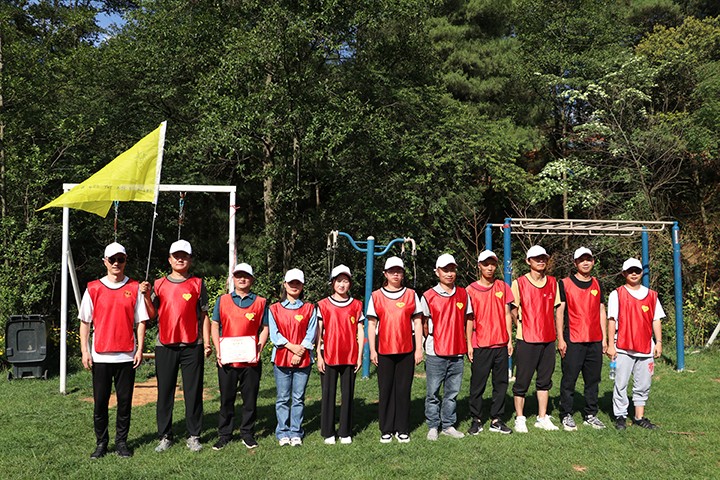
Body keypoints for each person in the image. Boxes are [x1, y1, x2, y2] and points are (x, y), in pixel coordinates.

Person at [79, 242, 150, 459]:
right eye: (112, 259)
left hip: (126, 355)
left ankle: (121, 442)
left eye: (120, 259)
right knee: (100, 403)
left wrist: (140, 349)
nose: (116, 263)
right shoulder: (93, 288)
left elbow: (141, 321)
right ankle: (101, 443)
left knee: (124, 403)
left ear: (125, 261)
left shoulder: (135, 288)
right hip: (100, 355)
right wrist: (85, 351)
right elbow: (85, 322)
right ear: (105, 262)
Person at [151, 240, 212, 453]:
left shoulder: (197, 283)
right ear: (169, 259)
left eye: (184, 256)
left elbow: (204, 315)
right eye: (176, 256)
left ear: (190, 259)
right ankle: (165, 436)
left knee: (193, 392)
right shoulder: (158, 284)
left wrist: (207, 342)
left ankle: (194, 435)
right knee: (165, 391)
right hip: (165, 344)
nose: (180, 259)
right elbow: (151, 314)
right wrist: (145, 295)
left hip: (192, 344)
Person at [211, 262, 269, 450]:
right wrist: (218, 349)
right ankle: (225, 434)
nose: (242, 279)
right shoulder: (222, 300)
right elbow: (214, 325)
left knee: (250, 399)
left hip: (250, 361)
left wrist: (259, 348)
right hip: (227, 359)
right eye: (238, 276)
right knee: (226, 399)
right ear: (233, 279)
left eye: (246, 276)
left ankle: (247, 433)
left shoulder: (261, 302)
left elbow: (265, 328)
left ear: (252, 279)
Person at [367, 256, 424, 443]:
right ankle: (386, 428)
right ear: (385, 274)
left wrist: (419, 349)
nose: (396, 274)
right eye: (392, 271)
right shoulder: (376, 296)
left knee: (403, 390)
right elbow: (371, 324)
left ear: (403, 274)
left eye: (399, 271)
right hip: (384, 350)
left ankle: (402, 428)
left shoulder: (411, 294)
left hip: (406, 350)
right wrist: (372, 350)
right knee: (385, 390)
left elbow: (417, 322)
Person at [606, 258, 665, 430]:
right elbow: (612, 320)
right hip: (623, 346)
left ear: (641, 273)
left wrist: (658, 342)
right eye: (630, 271)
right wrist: (610, 344)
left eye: (637, 271)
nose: (633, 274)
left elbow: (656, 320)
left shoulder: (652, 295)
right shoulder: (617, 294)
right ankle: (620, 416)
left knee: (644, 384)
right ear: (624, 273)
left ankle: (639, 417)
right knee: (621, 383)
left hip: (646, 347)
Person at [510, 245, 561, 432]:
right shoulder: (519, 283)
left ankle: (542, 417)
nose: (541, 261)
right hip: (527, 338)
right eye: (536, 258)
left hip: (548, 338)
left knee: (545, 380)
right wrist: (520, 324)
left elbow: (556, 309)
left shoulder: (553, 282)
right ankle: (520, 418)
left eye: (543, 258)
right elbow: (513, 309)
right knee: (522, 380)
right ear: (528, 261)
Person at [555, 247, 607, 431]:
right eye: (581, 260)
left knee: (593, 380)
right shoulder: (564, 283)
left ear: (593, 261)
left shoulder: (598, 284)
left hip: (594, 339)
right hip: (573, 339)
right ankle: (566, 413)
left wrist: (604, 339)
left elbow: (601, 310)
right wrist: (561, 339)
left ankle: (591, 414)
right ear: (575, 263)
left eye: (588, 259)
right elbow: (559, 312)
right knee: (569, 379)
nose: (585, 263)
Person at [421, 254, 470, 441]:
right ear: (437, 272)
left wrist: (468, 345)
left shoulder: (463, 294)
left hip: (457, 351)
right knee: (432, 392)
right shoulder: (428, 296)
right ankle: (433, 426)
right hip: (435, 351)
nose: (449, 273)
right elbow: (423, 323)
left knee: (452, 393)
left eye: (452, 269)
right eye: (445, 270)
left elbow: (468, 320)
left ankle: (448, 425)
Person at [465, 250, 514, 435]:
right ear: (479, 266)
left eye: (493, 264)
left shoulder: (503, 286)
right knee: (477, 385)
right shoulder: (470, 290)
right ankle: (476, 419)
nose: (490, 267)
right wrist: (469, 344)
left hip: (500, 344)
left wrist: (509, 340)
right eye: (486, 264)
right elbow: (469, 319)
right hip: (481, 345)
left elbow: (507, 314)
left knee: (501, 384)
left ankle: (496, 419)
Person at [316, 264, 365, 445]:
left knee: (347, 394)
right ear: (332, 283)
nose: (342, 285)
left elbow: (360, 330)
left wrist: (359, 356)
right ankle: (328, 431)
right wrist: (319, 355)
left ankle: (345, 431)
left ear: (350, 283)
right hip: (329, 354)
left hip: (350, 355)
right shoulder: (323, 304)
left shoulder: (356, 305)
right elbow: (318, 332)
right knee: (328, 393)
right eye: (338, 281)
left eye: (345, 281)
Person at [269, 268, 317, 446]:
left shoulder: (309, 308)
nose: (294, 286)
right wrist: (293, 348)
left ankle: (296, 431)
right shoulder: (274, 309)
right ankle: (282, 432)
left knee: (298, 397)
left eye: (298, 283)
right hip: (282, 358)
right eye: (291, 283)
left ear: (302, 285)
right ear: (285, 284)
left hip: (304, 359)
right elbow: (275, 335)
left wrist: (300, 351)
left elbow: (311, 332)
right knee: (283, 397)